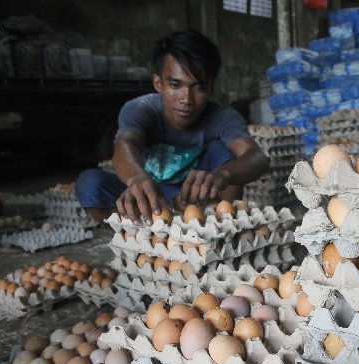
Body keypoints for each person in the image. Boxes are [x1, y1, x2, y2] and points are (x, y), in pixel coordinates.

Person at [75, 30, 269, 225]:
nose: (187, 99)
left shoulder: (223, 116)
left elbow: (257, 157)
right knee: (89, 182)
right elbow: (125, 142)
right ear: (158, 83)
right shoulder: (142, 109)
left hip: (193, 197)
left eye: (199, 87)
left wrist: (222, 174)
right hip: (150, 194)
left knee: (226, 153)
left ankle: (221, 223)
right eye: (176, 85)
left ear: (211, 87)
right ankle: (135, 229)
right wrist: (137, 178)